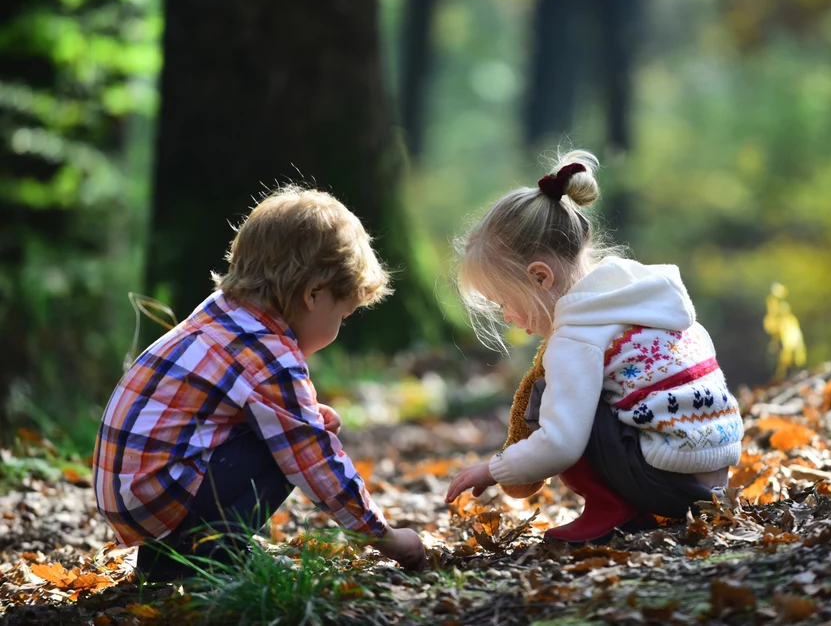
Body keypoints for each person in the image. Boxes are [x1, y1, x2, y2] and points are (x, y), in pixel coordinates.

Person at [93, 186, 426, 581]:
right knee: (297, 444)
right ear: (314, 294)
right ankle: (213, 553)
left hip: (133, 493)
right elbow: (314, 457)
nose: (339, 328)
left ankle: (168, 558)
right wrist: (384, 538)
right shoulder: (270, 354)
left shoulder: (222, 312)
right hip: (158, 494)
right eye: (343, 315)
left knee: (298, 431)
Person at [445, 151, 744, 543]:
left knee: (547, 393)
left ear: (539, 277)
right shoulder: (639, 295)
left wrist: (493, 469)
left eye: (504, 302)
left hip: (672, 485)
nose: (506, 317)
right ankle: (630, 502)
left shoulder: (576, 337)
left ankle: (612, 509)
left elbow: (561, 443)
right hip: (714, 477)